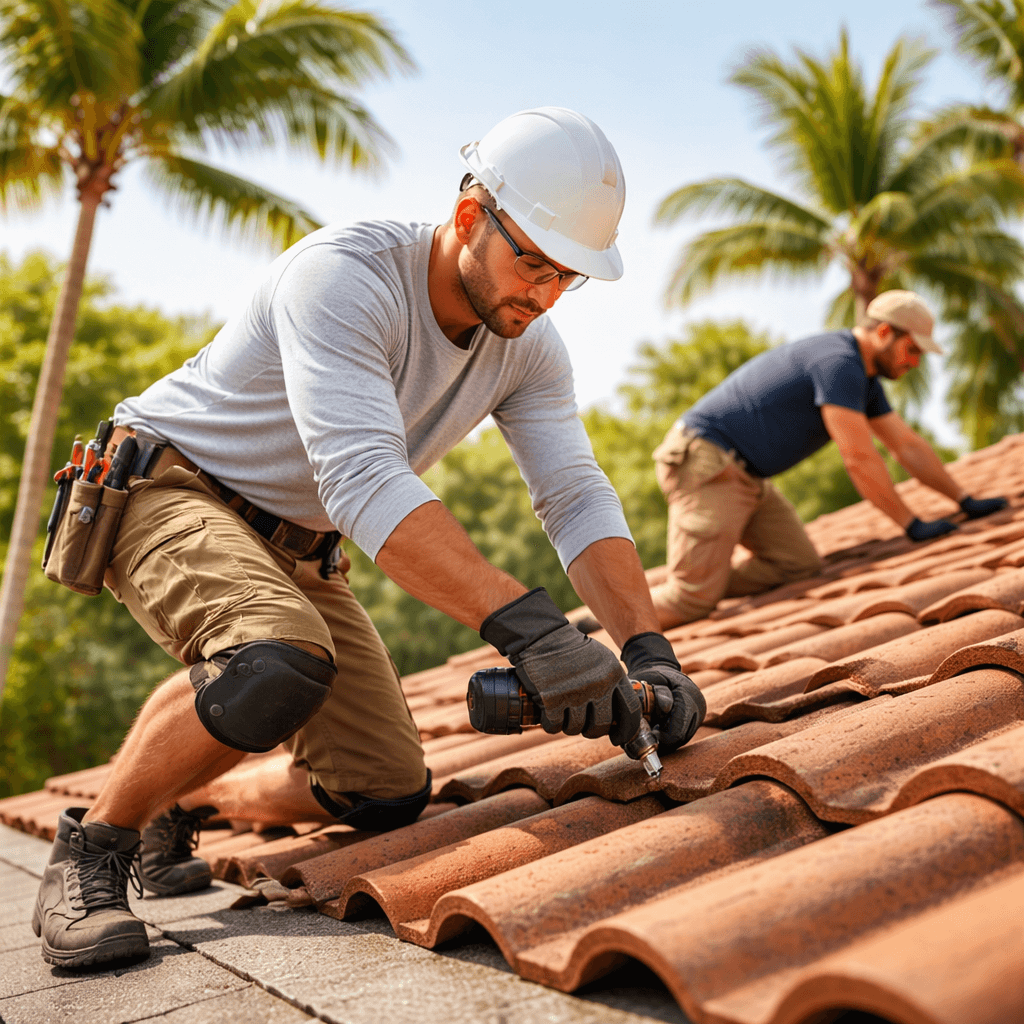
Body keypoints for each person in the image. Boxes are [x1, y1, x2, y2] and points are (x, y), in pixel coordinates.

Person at [32, 107, 706, 969]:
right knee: (275, 660)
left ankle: (177, 798)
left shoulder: (530, 350)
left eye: (565, 277)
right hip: (174, 486)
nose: (541, 295)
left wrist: (650, 652)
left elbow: (574, 495)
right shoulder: (344, 276)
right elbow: (360, 476)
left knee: (385, 790)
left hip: (300, 541)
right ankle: (92, 849)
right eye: (530, 261)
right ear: (470, 218)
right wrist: (534, 631)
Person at [645, 290, 1008, 630]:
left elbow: (906, 445)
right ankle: (609, 624)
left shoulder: (863, 380)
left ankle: (695, 581)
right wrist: (910, 524)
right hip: (707, 462)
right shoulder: (838, 362)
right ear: (884, 332)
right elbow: (858, 458)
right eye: (912, 350)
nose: (914, 362)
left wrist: (964, 500)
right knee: (689, 602)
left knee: (796, 565)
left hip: (745, 475)